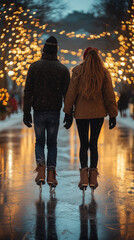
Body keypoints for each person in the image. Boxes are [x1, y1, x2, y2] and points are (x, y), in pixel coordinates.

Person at [63, 47, 118, 192]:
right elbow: (109, 95)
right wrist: (113, 114)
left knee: (83, 144)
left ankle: (83, 178)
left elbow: (71, 93)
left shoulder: (77, 71)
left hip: (81, 113)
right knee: (93, 144)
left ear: (84, 57)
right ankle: (93, 178)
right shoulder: (104, 72)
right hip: (98, 114)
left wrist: (68, 112)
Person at [23, 36, 70, 188]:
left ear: (43, 49)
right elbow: (67, 94)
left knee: (39, 142)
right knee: (52, 143)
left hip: (38, 110)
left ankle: (41, 170)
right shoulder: (62, 69)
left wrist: (26, 112)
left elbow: (28, 91)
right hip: (54, 111)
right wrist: (69, 113)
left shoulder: (34, 67)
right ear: (57, 51)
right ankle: (51, 174)